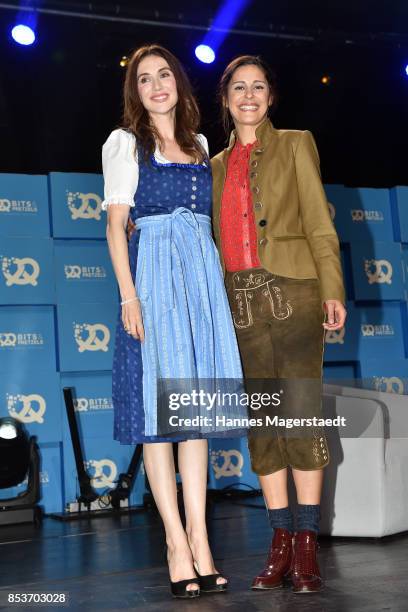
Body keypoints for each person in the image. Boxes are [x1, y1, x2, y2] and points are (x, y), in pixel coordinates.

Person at [101, 44, 245, 599]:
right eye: (144, 79)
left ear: (179, 84)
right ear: (134, 92)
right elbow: (117, 229)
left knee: (195, 417)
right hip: (152, 284)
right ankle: (176, 544)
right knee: (158, 418)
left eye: (164, 75)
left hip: (198, 285)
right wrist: (128, 298)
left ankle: (202, 541)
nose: (156, 85)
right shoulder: (125, 145)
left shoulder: (201, 145)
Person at [211, 55, 347, 593]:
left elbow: (318, 220)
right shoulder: (215, 163)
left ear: (271, 97)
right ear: (225, 99)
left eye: (258, 87)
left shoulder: (296, 143)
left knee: (301, 418)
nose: (249, 96)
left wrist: (332, 288)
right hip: (239, 303)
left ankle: (308, 547)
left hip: (293, 293)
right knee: (264, 426)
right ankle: (279, 544)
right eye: (239, 88)